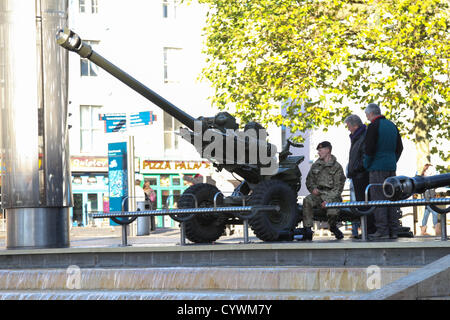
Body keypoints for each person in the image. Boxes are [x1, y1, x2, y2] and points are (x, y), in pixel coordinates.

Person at [363, 103, 403, 240]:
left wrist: (367, 164)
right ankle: (394, 230)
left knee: (378, 199)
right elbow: (400, 147)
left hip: (377, 168)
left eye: (367, 115)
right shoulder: (392, 125)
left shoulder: (373, 126)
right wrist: (393, 161)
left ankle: (382, 231)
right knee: (392, 199)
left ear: (371, 114)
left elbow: (369, 148)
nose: (367, 118)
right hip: (391, 168)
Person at [302, 141, 346, 240]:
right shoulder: (315, 165)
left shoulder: (337, 167)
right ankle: (308, 230)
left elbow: (338, 188)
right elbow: (309, 181)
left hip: (332, 196)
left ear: (327, 150)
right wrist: (313, 189)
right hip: (318, 195)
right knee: (307, 200)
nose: (319, 153)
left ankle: (333, 227)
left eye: (320, 150)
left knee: (332, 212)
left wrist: (328, 200)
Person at [344, 114, 375, 238]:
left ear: (355, 125)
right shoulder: (357, 137)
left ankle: (369, 231)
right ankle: (366, 230)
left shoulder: (362, 136)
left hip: (362, 175)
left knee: (365, 204)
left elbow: (364, 155)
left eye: (348, 126)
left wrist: (356, 168)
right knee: (361, 204)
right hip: (357, 175)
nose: (348, 129)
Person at [419, 164, 440, 236]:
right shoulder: (424, 179)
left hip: (431, 200)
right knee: (435, 213)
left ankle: (423, 231)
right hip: (427, 200)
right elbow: (425, 192)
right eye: (431, 169)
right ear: (426, 170)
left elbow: (433, 190)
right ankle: (437, 230)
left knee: (426, 214)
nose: (433, 171)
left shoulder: (431, 179)